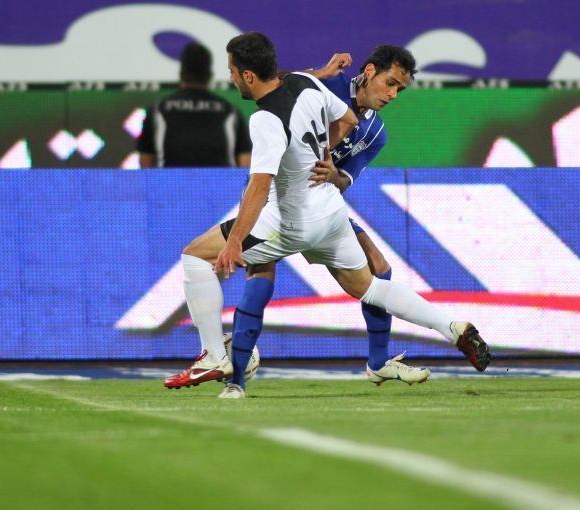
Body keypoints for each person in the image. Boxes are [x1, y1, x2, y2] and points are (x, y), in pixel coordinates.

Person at [168, 31, 490, 399]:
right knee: (369, 285)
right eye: (391, 84)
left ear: (247, 75)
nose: (393, 94)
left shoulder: (271, 116)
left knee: (197, 256)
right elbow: (343, 114)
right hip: (328, 213)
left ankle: (216, 358)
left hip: (287, 212)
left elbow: (261, 183)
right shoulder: (314, 83)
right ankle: (451, 326)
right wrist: (320, 141)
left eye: (232, 71)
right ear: (370, 72)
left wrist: (236, 240)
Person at [137, 42, 252, 168]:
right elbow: (245, 165)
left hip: (170, 181)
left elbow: (145, 167)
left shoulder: (157, 111)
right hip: (220, 181)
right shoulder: (230, 112)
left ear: (180, 74)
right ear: (210, 75)